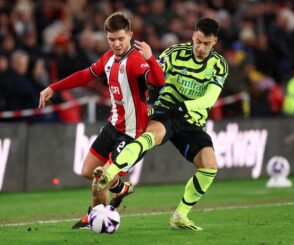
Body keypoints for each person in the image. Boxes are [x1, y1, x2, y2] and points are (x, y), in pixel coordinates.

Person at [94, 18, 229, 231]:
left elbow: (210, 99)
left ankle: (179, 216)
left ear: (215, 42)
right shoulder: (175, 54)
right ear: (193, 36)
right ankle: (109, 174)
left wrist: (186, 107)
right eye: (198, 41)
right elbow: (152, 76)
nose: (201, 48)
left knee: (210, 165)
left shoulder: (219, 65)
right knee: (152, 136)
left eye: (207, 44)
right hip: (166, 110)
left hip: (192, 120)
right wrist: (145, 101)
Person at [39, 12, 165, 229]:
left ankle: (96, 218)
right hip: (113, 126)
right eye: (112, 39)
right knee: (88, 171)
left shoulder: (136, 62)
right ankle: (120, 188)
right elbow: (84, 75)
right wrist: (53, 87)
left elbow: (158, 82)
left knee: (101, 178)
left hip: (132, 134)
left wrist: (150, 59)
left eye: (121, 39)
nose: (116, 44)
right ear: (106, 37)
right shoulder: (108, 59)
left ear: (130, 35)